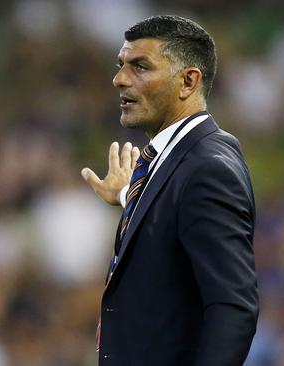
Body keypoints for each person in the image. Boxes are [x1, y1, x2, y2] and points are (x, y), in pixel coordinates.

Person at [81, 15, 258, 365]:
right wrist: (128, 197)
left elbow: (233, 307)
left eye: (140, 67)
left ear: (188, 81)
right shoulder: (179, 160)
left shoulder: (207, 168)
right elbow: (172, 229)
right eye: (121, 66)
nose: (119, 79)